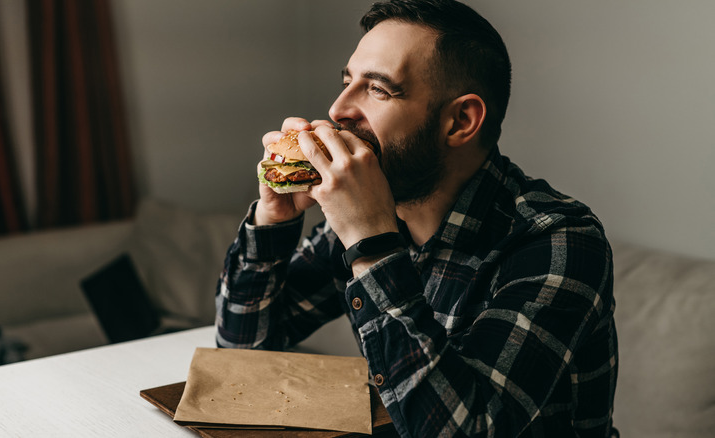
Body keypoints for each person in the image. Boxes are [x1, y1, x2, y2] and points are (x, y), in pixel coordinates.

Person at [215, 1, 618, 436]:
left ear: (460, 121)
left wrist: (369, 241)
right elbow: (244, 352)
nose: (337, 110)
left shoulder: (559, 242)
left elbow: (469, 430)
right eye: (347, 81)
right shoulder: (365, 211)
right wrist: (272, 220)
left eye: (379, 90)